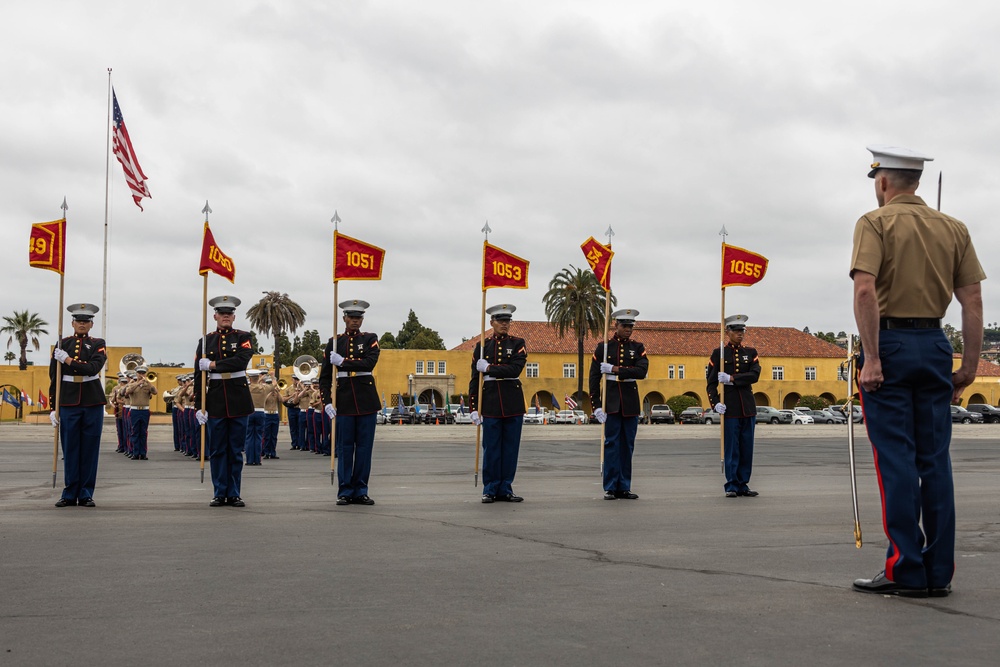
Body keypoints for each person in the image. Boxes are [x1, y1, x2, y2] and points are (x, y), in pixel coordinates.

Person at [850, 145, 985, 598]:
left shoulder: (874, 222)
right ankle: (938, 571)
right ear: (917, 182)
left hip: (889, 344)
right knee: (935, 460)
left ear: (883, 181)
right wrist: (967, 366)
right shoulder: (954, 227)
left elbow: (865, 290)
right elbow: (973, 301)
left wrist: (871, 358)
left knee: (896, 460)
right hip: (934, 346)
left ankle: (905, 568)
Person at [193, 295, 255, 508]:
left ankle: (234, 493)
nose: (225, 316)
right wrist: (199, 406)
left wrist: (212, 365)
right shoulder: (205, 341)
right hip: (216, 399)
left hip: (238, 397)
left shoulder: (243, 336)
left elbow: (241, 360)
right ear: (215, 316)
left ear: (234, 316)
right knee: (218, 450)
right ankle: (220, 492)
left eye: (229, 313)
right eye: (222, 313)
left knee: (236, 450)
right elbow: (198, 377)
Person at [319, 299, 381, 506]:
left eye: (358, 318)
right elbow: (325, 377)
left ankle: (360, 489)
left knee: (364, 448)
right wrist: (326, 401)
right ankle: (344, 490)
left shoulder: (371, 339)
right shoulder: (334, 343)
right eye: (352, 317)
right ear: (344, 318)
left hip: (366, 400)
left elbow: (370, 362)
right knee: (344, 448)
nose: (355, 321)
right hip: (343, 400)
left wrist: (343, 362)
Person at [49, 303, 107, 508]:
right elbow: (54, 377)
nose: (82, 324)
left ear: (91, 324)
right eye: (79, 321)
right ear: (72, 323)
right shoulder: (61, 344)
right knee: (70, 448)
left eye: (86, 321)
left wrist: (69, 361)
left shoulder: (98, 343)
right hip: (68, 401)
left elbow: (93, 368)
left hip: (92, 401)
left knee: (90, 450)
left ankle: (85, 493)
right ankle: (69, 492)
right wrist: (53, 407)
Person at [469, 304, 527, 504]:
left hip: (512, 402)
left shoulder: (518, 343)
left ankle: (505, 488)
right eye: (501, 321)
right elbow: (474, 379)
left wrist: (490, 368)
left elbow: (515, 369)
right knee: (491, 449)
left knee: (510, 450)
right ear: (492, 322)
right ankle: (490, 488)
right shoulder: (482, 347)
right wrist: (474, 407)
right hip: (491, 402)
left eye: (507, 321)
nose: (505, 324)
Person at [589, 308, 649, 500]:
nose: (628, 329)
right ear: (616, 325)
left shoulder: (638, 347)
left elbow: (642, 372)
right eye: (625, 326)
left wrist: (615, 369)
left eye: (631, 326)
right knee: (611, 444)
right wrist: (596, 405)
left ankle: (624, 486)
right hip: (611, 401)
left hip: (630, 402)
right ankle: (610, 486)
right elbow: (593, 378)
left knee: (627, 446)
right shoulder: (604, 348)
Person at [707, 314, 762, 498]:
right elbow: (711, 383)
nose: (740, 334)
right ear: (727, 332)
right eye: (736, 331)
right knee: (732, 448)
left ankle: (743, 483)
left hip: (747, 406)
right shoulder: (719, 354)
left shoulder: (751, 353)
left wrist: (732, 378)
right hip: (729, 407)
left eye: (742, 331)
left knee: (746, 448)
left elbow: (754, 375)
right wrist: (715, 404)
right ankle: (731, 484)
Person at [124, 365, 156, 460]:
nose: (141, 375)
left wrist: (148, 382)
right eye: (139, 373)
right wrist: (138, 383)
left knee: (143, 433)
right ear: (136, 374)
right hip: (135, 410)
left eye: (143, 373)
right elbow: (127, 392)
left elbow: (155, 392)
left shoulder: (147, 385)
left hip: (145, 410)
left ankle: (143, 453)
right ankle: (135, 452)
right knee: (135, 432)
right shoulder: (132, 384)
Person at [245, 369, 266, 465]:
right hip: (260, 412)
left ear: (250, 378)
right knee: (258, 436)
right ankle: (257, 460)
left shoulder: (246, 388)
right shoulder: (264, 388)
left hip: (249, 412)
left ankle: (249, 460)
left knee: (249, 436)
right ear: (258, 378)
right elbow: (274, 385)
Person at [261, 375, 282, 460]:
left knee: (274, 435)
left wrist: (277, 392)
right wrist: (269, 392)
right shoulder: (264, 392)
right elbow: (263, 401)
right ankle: (266, 452)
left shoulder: (276, 393)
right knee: (267, 435)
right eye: (268, 383)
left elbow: (282, 400)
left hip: (275, 414)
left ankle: (273, 452)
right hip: (267, 414)